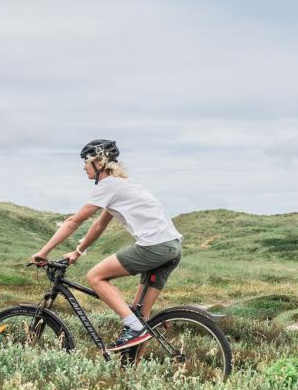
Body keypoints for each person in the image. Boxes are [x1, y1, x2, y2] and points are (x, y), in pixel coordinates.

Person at [30, 139, 183, 351]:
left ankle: (134, 327)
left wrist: (44, 252)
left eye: (86, 161)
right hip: (172, 248)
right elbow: (99, 225)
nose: (84, 167)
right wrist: (77, 252)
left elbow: (74, 221)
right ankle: (131, 364)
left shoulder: (108, 185)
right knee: (141, 317)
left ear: (100, 162)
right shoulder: (123, 185)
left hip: (154, 246)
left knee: (95, 277)